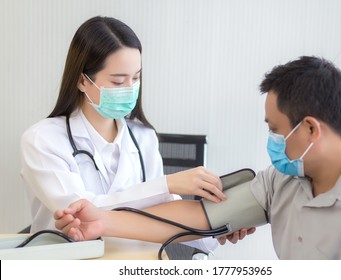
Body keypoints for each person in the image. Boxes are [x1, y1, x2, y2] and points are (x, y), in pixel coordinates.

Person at [55, 56, 341, 259]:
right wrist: (101, 220)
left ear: (311, 130)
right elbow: (200, 215)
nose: (272, 142)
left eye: (275, 129)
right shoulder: (284, 178)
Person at [20, 16, 226, 253]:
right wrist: (166, 184)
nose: (130, 89)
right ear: (81, 81)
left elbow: (168, 217)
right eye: (118, 81)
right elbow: (83, 212)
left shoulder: (144, 138)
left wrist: (220, 226)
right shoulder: (43, 140)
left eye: (136, 78)